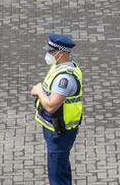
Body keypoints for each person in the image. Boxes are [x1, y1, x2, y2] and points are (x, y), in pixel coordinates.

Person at [32, 33, 83, 185]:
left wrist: (39, 90)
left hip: (59, 132)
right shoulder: (60, 67)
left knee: (57, 176)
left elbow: (51, 106)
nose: (47, 54)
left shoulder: (64, 78)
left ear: (60, 53)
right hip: (55, 129)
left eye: (50, 51)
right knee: (61, 169)